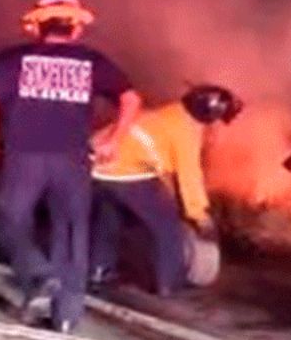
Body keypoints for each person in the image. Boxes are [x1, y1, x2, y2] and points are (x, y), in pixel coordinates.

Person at [0, 0, 141, 332]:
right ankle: (66, 316)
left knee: (7, 220)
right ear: (76, 29)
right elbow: (131, 98)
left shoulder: (13, 58)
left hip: (23, 156)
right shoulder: (92, 61)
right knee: (71, 233)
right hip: (72, 160)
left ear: (36, 27)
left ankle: (37, 273)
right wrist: (115, 140)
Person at [89, 84, 242, 295]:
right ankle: (169, 283)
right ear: (209, 115)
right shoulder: (187, 131)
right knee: (167, 227)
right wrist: (198, 215)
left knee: (109, 217)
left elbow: (158, 159)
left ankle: (99, 271)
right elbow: (189, 175)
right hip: (125, 170)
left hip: (95, 164)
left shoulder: (172, 112)